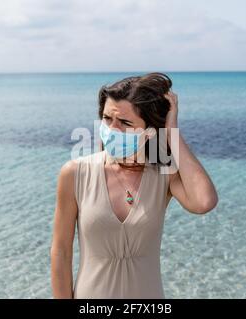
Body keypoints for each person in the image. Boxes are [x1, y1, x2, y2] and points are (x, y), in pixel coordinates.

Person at [50, 72, 218, 299]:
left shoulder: (163, 175)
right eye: (108, 119)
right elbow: (61, 252)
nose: (112, 129)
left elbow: (204, 202)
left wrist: (172, 133)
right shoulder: (75, 173)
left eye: (125, 122)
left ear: (148, 132)